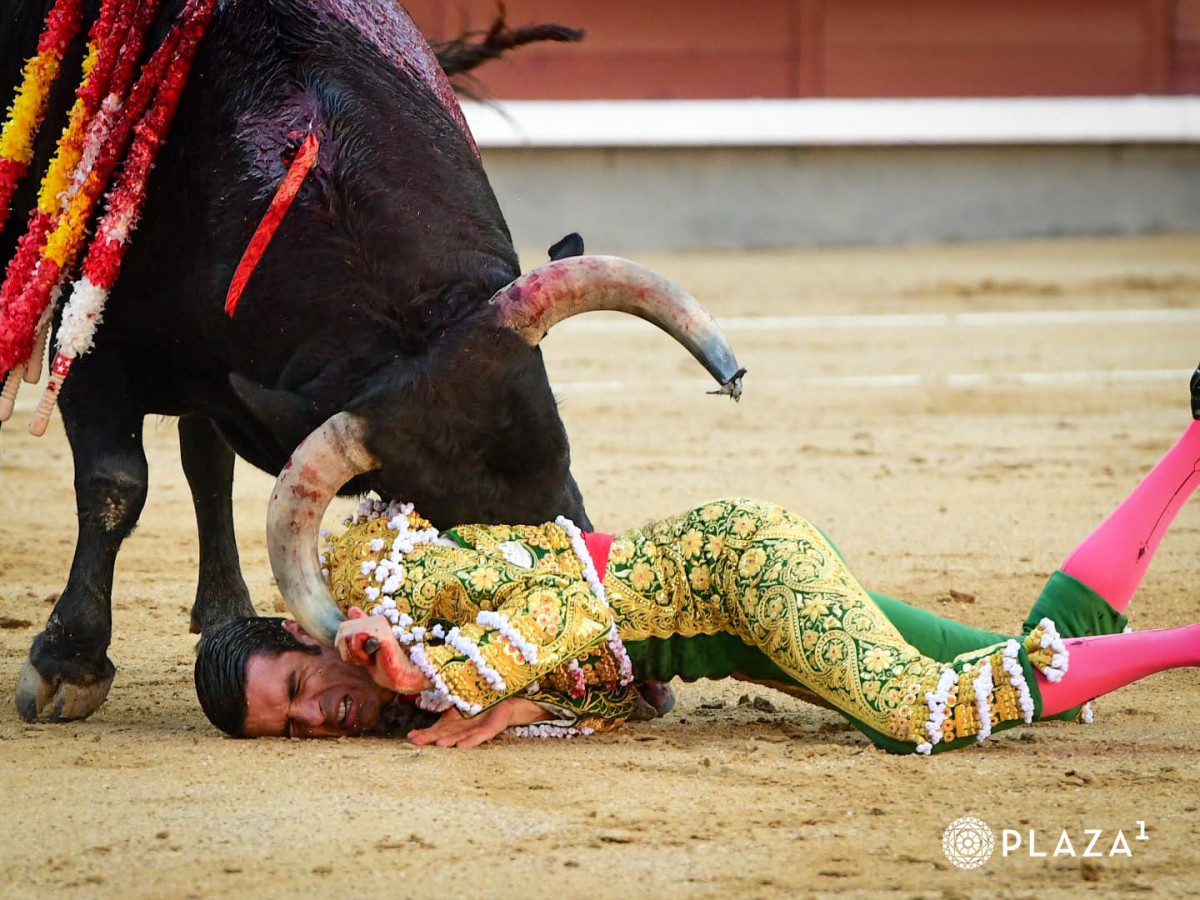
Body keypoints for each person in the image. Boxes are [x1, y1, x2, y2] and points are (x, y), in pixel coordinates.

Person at [195, 367, 1200, 752]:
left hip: (734, 571)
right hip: (737, 624)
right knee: (1036, 661)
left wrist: (443, 673)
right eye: (284, 728)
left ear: (299, 632)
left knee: (919, 713)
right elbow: (616, 687)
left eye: (289, 685)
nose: (310, 717)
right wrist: (515, 706)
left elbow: (568, 602)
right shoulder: (408, 699)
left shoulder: (378, 574)